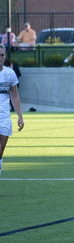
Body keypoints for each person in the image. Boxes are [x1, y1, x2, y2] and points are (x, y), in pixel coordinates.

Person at [0, 45, 24, 177]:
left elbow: (15, 95)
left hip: (4, 116)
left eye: (2, 55)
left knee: (1, 150)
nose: (0, 57)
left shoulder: (10, 73)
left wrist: (20, 116)